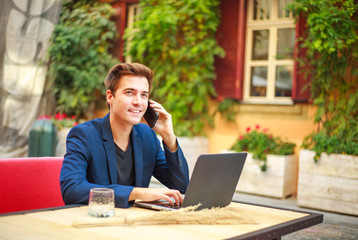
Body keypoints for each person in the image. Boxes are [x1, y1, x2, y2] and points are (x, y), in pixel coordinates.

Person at [60, 63, 189, 208]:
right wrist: (136, 193)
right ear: (110, 96)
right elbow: (72, 190)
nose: (138, 102)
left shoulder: (147, 136)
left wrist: (168, 136)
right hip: (96, 221)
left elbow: (181, 187)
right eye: (129, 92)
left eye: (144, 95)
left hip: (134, 223)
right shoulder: (84, 135)